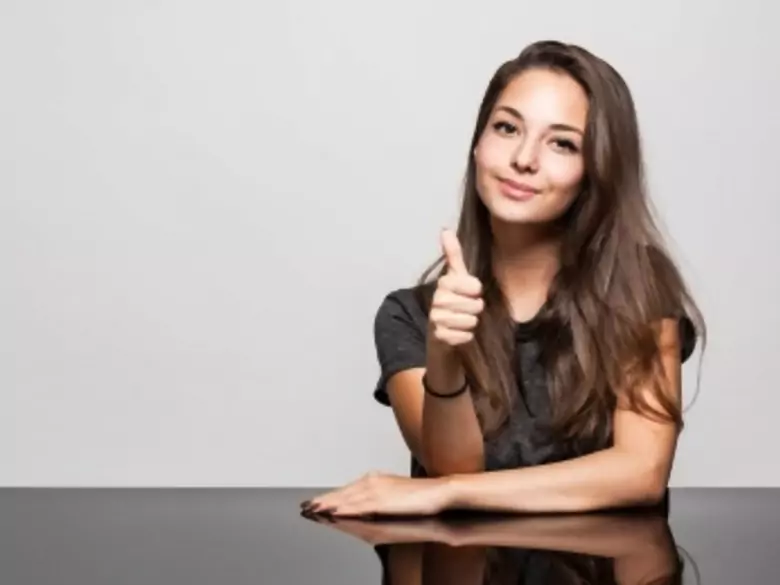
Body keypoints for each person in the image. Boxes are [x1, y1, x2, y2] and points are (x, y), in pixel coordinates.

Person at [301, 39, 705, 517]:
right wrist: (445, 357)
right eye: (507, 128)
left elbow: (641, 473)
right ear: (478, 145)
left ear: (596, 170)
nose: (524, 159)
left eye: (562, 143)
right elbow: (451, 465)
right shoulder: (408, 315)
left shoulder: (639, 287)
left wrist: (448, 493)